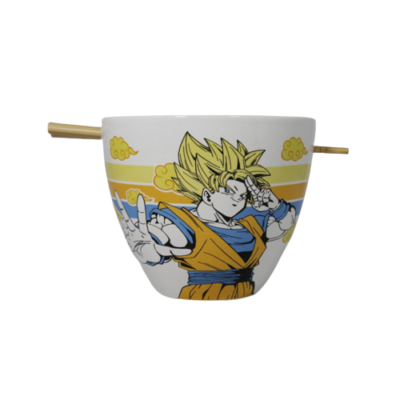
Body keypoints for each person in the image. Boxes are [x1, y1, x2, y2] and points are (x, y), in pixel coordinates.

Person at [117, 133, 295, 300]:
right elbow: (160, 247)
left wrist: (276, 205)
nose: (237, 199)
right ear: (207, 195)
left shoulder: (251, 225)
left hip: (247, 291)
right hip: (200, 296)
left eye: (242, 195)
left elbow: (285, 224)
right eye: (229, 192)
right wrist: (144, 248)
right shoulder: (183, 224)